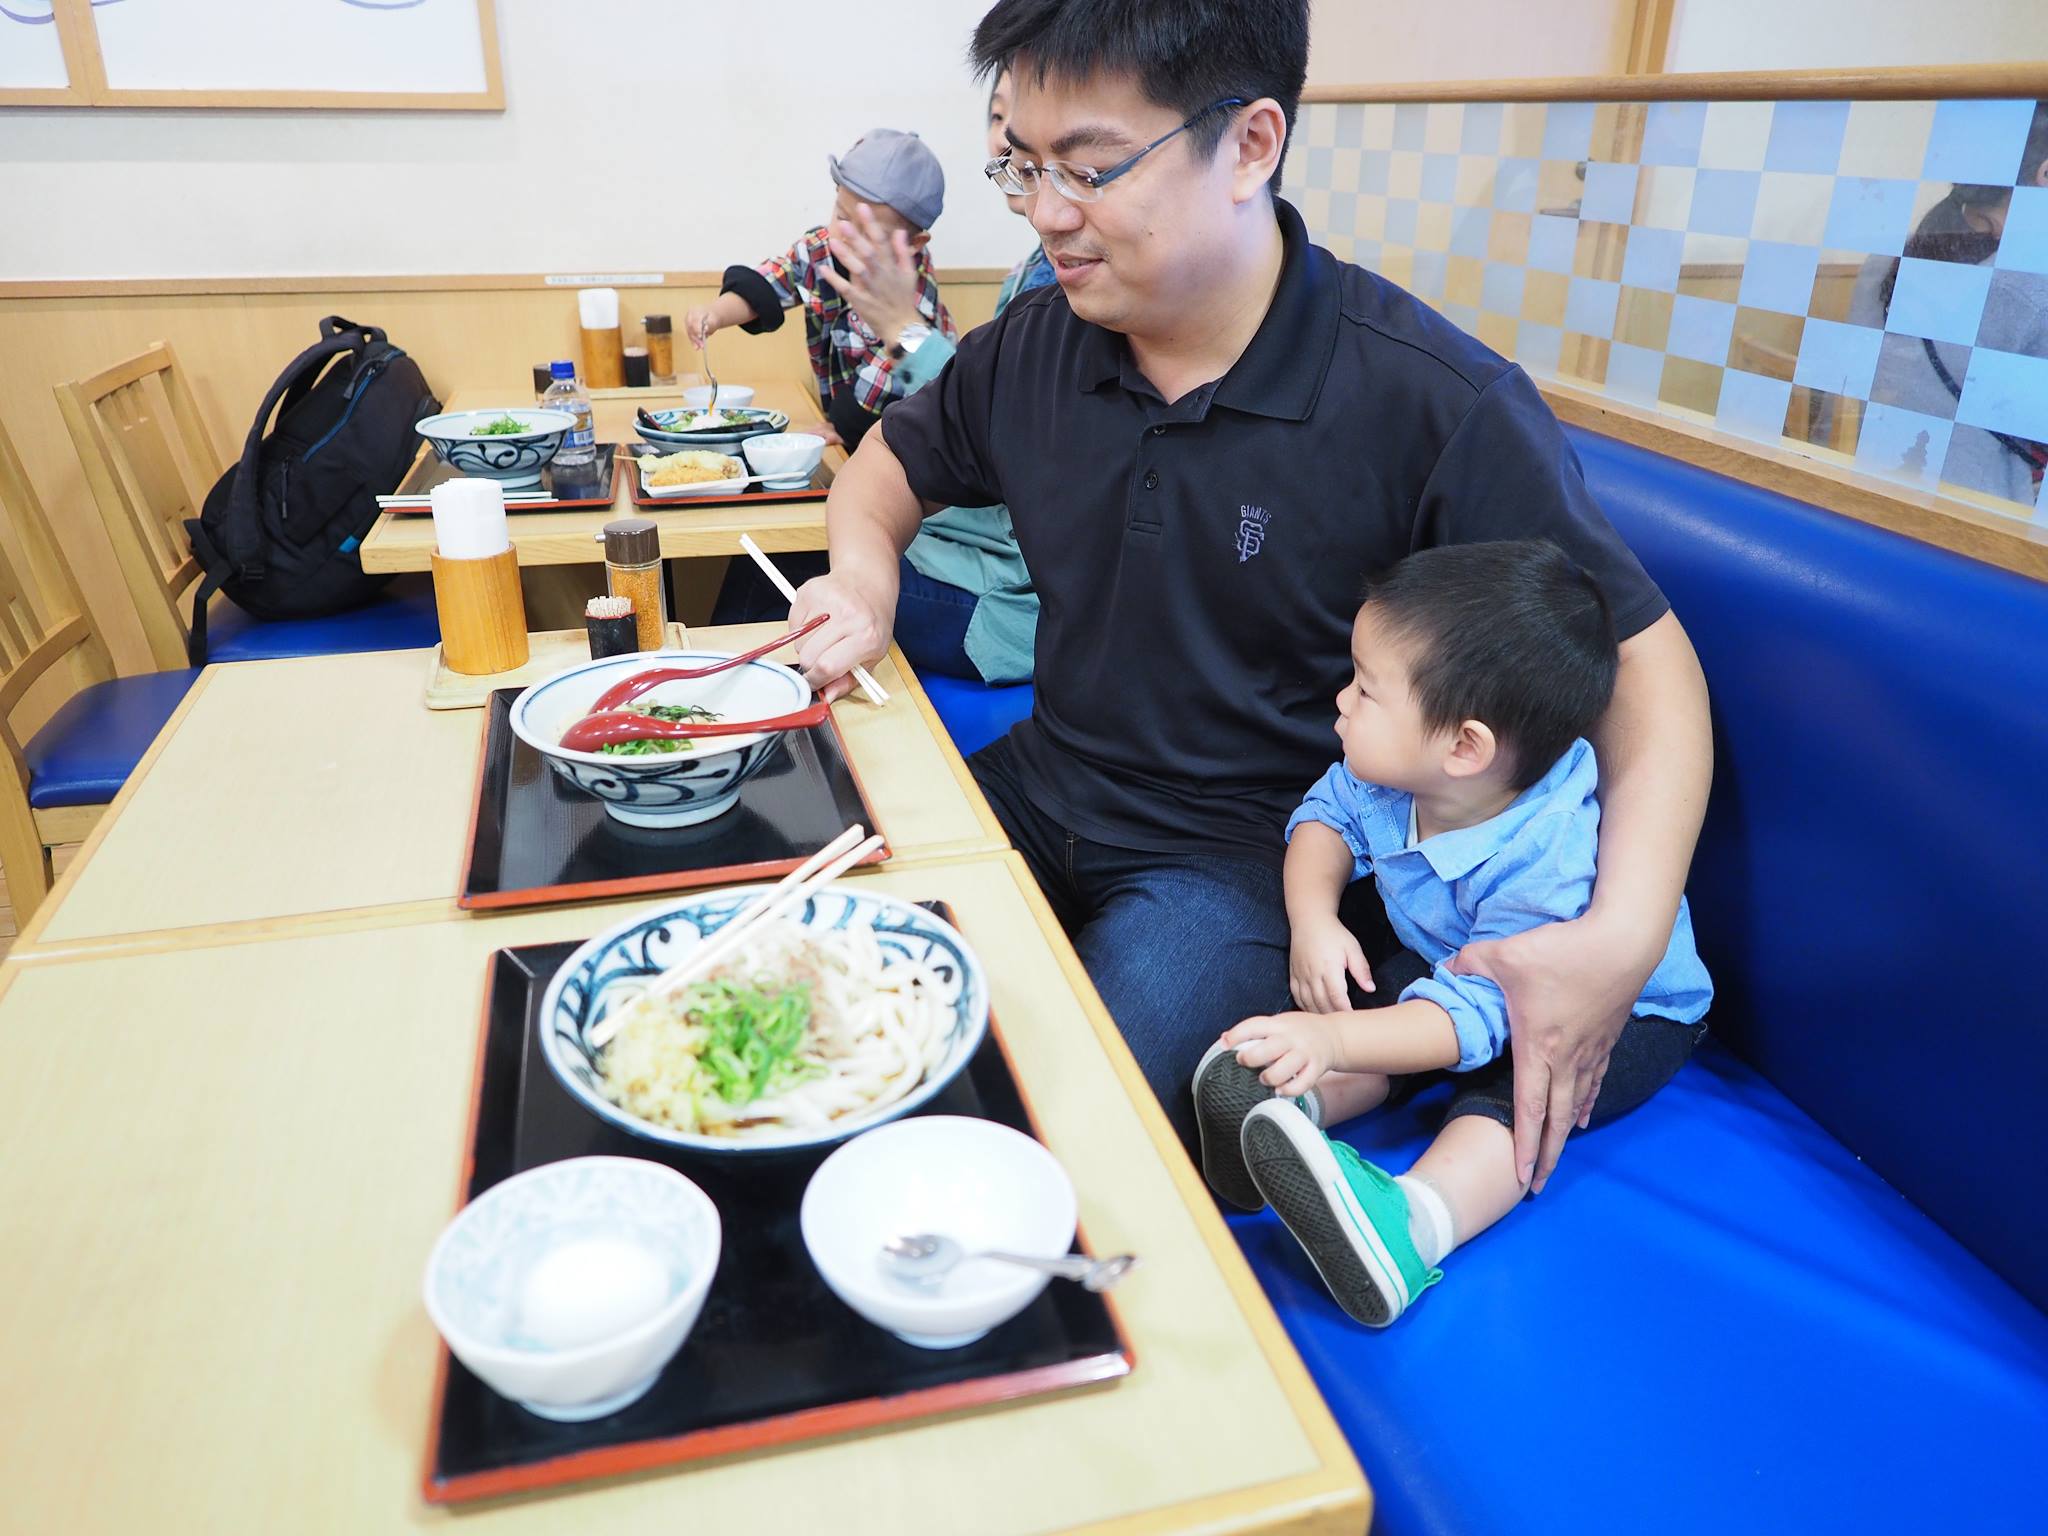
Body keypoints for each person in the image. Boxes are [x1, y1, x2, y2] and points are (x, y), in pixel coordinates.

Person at [787, 0, 1713, 1180]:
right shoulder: (1036, 342)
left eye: (1088, 168)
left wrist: (1623, 937)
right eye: (1020, 164)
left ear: (1249, 143)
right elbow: (886, 470)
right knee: (807, 967)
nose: (1044, 211)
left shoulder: (1425, 397)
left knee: (1085, 1127)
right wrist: (861, 588)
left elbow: (1642, 660)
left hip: (1246, 854)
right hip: (1037, 781)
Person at [1190, 541, 1712, 1325]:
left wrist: (1329, 1040)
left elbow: (1471, 1023)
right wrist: (1315, 920)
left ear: (1464, 746)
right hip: (1459, 960)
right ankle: (1289, 1111)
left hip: (1611, 1012)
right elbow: (1325, 818)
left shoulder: (1547, 863)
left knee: (1509, 1097)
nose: (1341, 701)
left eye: (1366, 689)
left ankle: (1414, 1223)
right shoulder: (1396, 770)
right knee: (1380, 987)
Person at [713, 73, 1054, 683]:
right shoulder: (1033, 269)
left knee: (775, 582)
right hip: (954, 552)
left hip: (1001, 602)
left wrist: (902, 326)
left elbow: (984, 416)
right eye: (1000, 116)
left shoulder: (1057, 284)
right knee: (778, 562)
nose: (1007, 138)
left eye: (1025, 114)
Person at [684, 128, 956, 453]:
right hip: (845, 418)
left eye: (869, 233)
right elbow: (770, 284)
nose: (846, 236)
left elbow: (890, 372)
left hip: (908, 433)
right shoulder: (819, 249)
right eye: (841, 216)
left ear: (914, 243)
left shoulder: (911, 290)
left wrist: (844, 425)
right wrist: (716, 314)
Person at [1845, 101, 2048, 507]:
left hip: (1872, 483)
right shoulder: (2031, 291)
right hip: (1977, 513)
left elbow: (1856, 373)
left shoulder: (1885, 260)